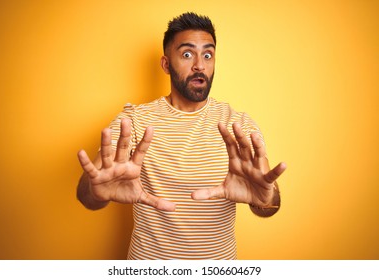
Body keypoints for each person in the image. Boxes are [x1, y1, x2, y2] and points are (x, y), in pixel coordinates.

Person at [77, 12, 287, 260]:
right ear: (166, 64)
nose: (200, 64)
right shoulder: (133, 121)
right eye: (187, 54)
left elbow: (269, 207)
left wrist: (266, 198)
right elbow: (87, 197)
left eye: (207, 55)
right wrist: (95, 191)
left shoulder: (237, 125)